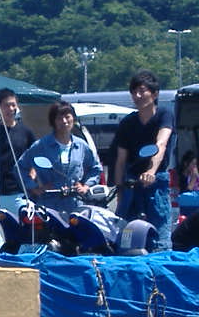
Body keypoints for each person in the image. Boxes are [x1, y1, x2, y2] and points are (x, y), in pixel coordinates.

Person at [113, 70, 175, 251]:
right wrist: (119, 190)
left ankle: (161, 260)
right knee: (126, 236)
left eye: (142, 91)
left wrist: (151, 171)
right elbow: (120, 160)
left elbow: (161, 144)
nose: (137, 96)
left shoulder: (164, 115)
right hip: (131, 182)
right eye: (134, 92)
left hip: (156, 180)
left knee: (160, 236)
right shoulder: (127, 122)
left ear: (154, 94)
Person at [17, 100, 102, 214]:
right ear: (53, 121)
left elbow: (95, 168)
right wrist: (34, 188)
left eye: (67, 117)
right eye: (59, 118)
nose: (64, 121)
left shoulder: (81, 145)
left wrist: (86, 186)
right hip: (49, 205)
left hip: (75, 204)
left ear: (73, 119)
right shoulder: (42, 145)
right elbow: (20, 167)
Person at [0, 88, 36, 254]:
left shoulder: (26, 132)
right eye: (6, 105)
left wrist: (32, 174)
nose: (11, 109)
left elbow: (34, 158)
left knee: (21, 235)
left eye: (13, 105)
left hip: (18, 193)